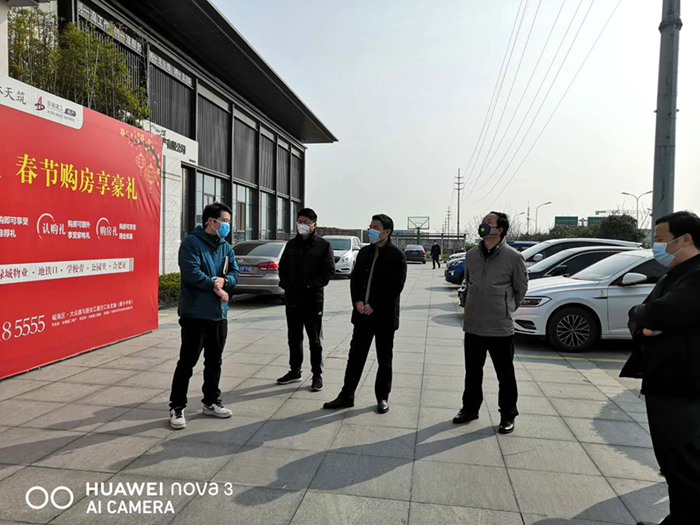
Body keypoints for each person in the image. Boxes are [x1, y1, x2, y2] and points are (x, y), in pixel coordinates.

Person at [621, 211, 700, 525]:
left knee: (684, 464)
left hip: (684, 386)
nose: (656, 246)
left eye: (660, 239)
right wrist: (643, 321)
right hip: (663, 382)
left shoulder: (697, 276)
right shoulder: (672, 275)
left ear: (684, 239)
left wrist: (644, 316)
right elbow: (641, 317)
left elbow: (658, 313)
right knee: (671, 462)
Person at [323, 214, 407, 414]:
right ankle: (346, 396)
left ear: (387, 231)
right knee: (355, 357)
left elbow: (396, 286)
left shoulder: (396, 255)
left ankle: (382, 397)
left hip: (384, 317)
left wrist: (374, 305)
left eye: (375, 227)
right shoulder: (364, 252)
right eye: (370, 226)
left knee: (384, 359)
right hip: (362, 316)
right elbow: (355, 280)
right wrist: (357, 301)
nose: (371, 230)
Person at [453, 212, 528, 434]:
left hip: (500, 327)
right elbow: (468, 282)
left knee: (505, 375)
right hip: (474, 324)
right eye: (483, 222)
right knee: (472, 372)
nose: (483, 225)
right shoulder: (471, 255)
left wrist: (506, 309)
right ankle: (470, 409)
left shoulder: (514, 257)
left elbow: (520, 289)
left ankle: (508, 415)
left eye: (489, 222)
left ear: (500, 230)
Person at [168, 202, 240, 430]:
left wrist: (226, 281)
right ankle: (177, 406)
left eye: (229, 221)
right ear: (211, 221)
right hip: (195, 314)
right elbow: (191, 273)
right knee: (187, 362)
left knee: (214, 361)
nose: (227, 225)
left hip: (218, 315)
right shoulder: (192, 243)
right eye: (225, 221)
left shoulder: (225, 247)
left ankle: (211, 401)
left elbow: (235, 272)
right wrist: (215, 286)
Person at [276, 208, 335, 391]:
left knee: (314, 340)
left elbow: (328, 272)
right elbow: (282, 268)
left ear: (314, 225)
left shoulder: (323, 246)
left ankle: (317, 374)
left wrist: (310, 286)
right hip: (292, 299)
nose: (301, 225)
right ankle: (295, 370)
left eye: (306, 222)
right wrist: (286, 285)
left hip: (312, 300)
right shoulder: (291, 245)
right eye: (299, 221)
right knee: (294, 338)